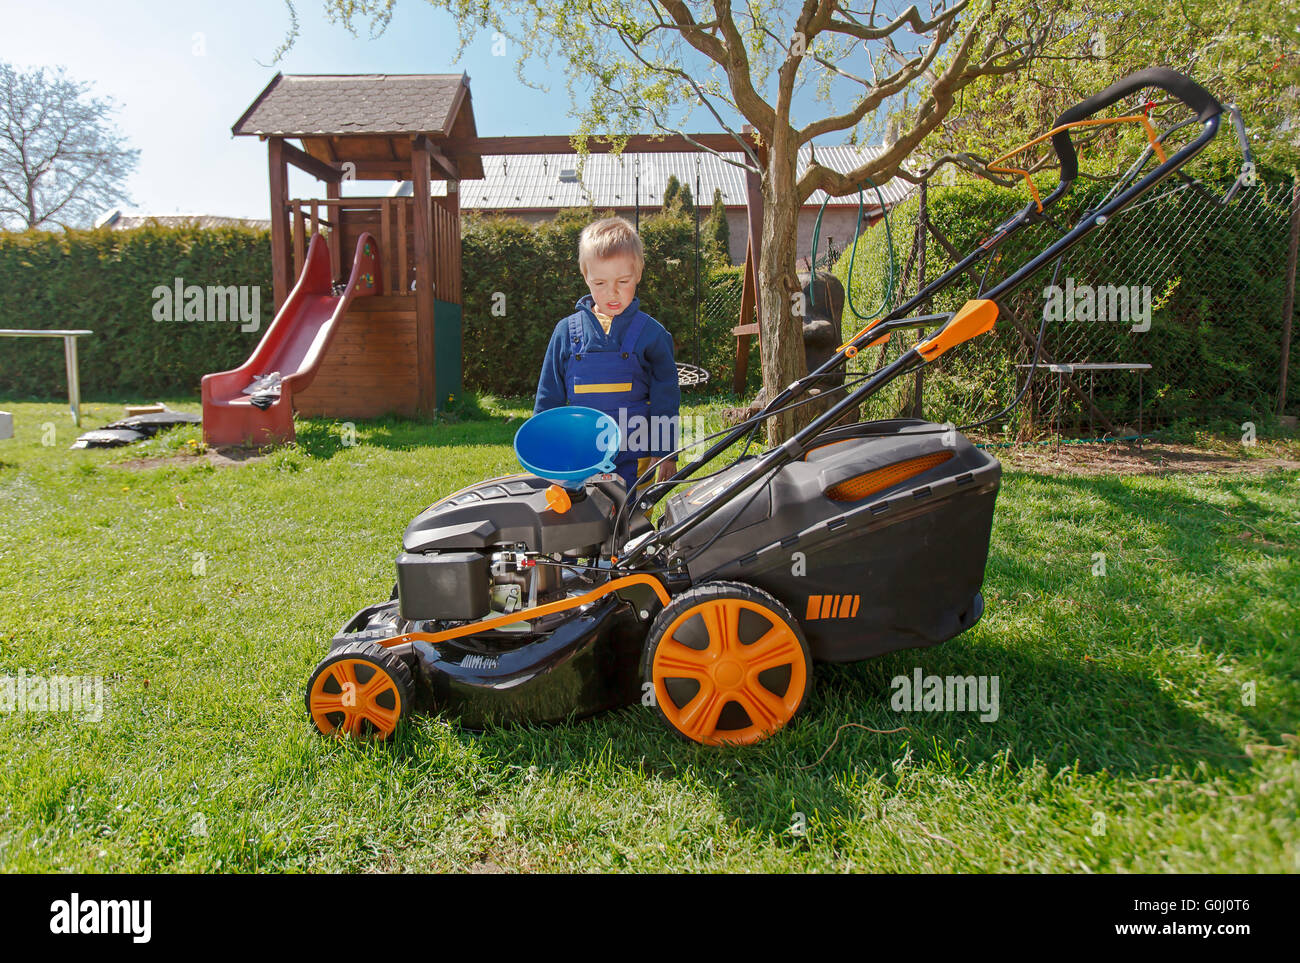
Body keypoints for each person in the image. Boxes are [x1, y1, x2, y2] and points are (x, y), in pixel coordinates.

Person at [534, 216, 680, 493]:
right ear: (586, 277)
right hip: (581, 455)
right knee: (586, 521)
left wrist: (665, 452)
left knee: (633, 521)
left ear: (638, 273)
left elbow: (666, 398)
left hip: (636, 454)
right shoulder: (566, 332)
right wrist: (544, 447)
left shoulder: (653, 335)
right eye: (599, 283)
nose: (611, 292)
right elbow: (549, 395)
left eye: (622, 281)